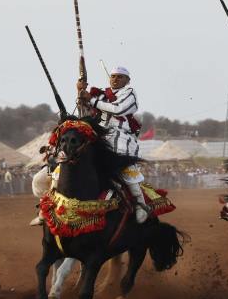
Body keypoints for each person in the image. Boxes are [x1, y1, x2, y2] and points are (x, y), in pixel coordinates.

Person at [30, 66, 150, 225]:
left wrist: (91, 99)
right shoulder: (101, 95)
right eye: (113, 76)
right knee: (64, 162)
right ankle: (45, 205)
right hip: (98, 136)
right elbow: (85, 114)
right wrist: (81, 93)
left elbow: (118, 109)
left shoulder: (129, 94)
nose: (115, 79)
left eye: (120, 77)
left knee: (126, 169)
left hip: (120, 139)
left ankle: (140, 204)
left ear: (127, 80)